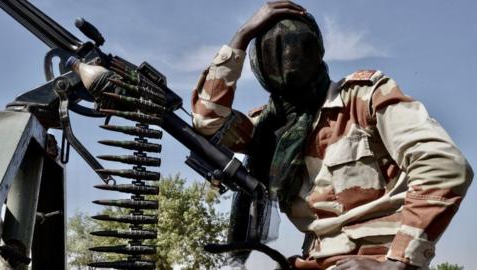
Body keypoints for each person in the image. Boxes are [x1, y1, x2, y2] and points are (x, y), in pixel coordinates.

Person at [190, 1, 473, 269]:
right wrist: (241, 36)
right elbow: (207, 120)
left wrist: (400, 260)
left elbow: (443, 165)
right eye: (271, 51)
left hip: (374, 257)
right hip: (313, 260)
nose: (286, 56)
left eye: (295, 47)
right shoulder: (267, 129)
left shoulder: (363, 99)